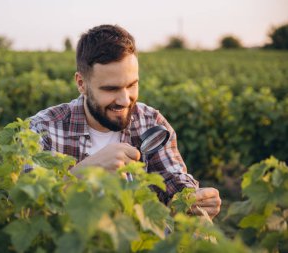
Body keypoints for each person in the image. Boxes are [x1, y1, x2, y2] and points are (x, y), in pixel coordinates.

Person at [29, 24, 221, 218]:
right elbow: (27, 207)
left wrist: (193, 200)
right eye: (111, 89)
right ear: (81, 84)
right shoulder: (43, 129)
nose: (124, 99)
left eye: (132, 85)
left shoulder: (151, 122)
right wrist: (85, 172)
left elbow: (174, 181)